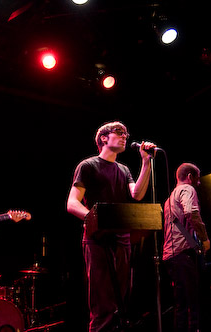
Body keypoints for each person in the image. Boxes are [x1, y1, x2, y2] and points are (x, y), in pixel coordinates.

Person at [66, 121, 157, 332]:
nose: (125, 136)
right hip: (98, 239)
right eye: (119, 132)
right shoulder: (88, 166)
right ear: (104, 138)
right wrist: (98, 220)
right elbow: (72, 203)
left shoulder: (124, 169)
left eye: (126, 133)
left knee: (121, 298)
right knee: (102, 300)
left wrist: (146, 163)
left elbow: (137, 194)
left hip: (122, 238)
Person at [162, 163, 210, 332]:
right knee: (192, 304)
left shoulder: (169, 198)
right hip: (183, 254)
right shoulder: (188, 190)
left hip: (170, 256)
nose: (199, 182)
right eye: (197, 178)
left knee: (181, 305)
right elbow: (191, 212)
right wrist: (204, 239)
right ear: (190, 176)